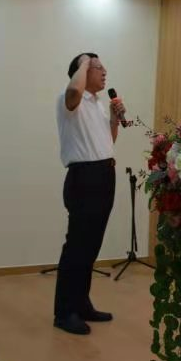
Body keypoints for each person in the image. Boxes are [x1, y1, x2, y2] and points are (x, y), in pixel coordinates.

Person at [53, 53, 126, 335]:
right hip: (84, 178)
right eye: (98, 67)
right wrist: (85, 60)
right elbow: (74, 89)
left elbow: (108, 142)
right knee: (77, 247)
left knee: (91, 246)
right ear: (82, 70)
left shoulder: (96, 103)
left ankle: (82, 304)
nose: (104, 71)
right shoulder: (69, 98)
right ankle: (64, 313)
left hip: (104, 174)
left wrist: (115, 120)